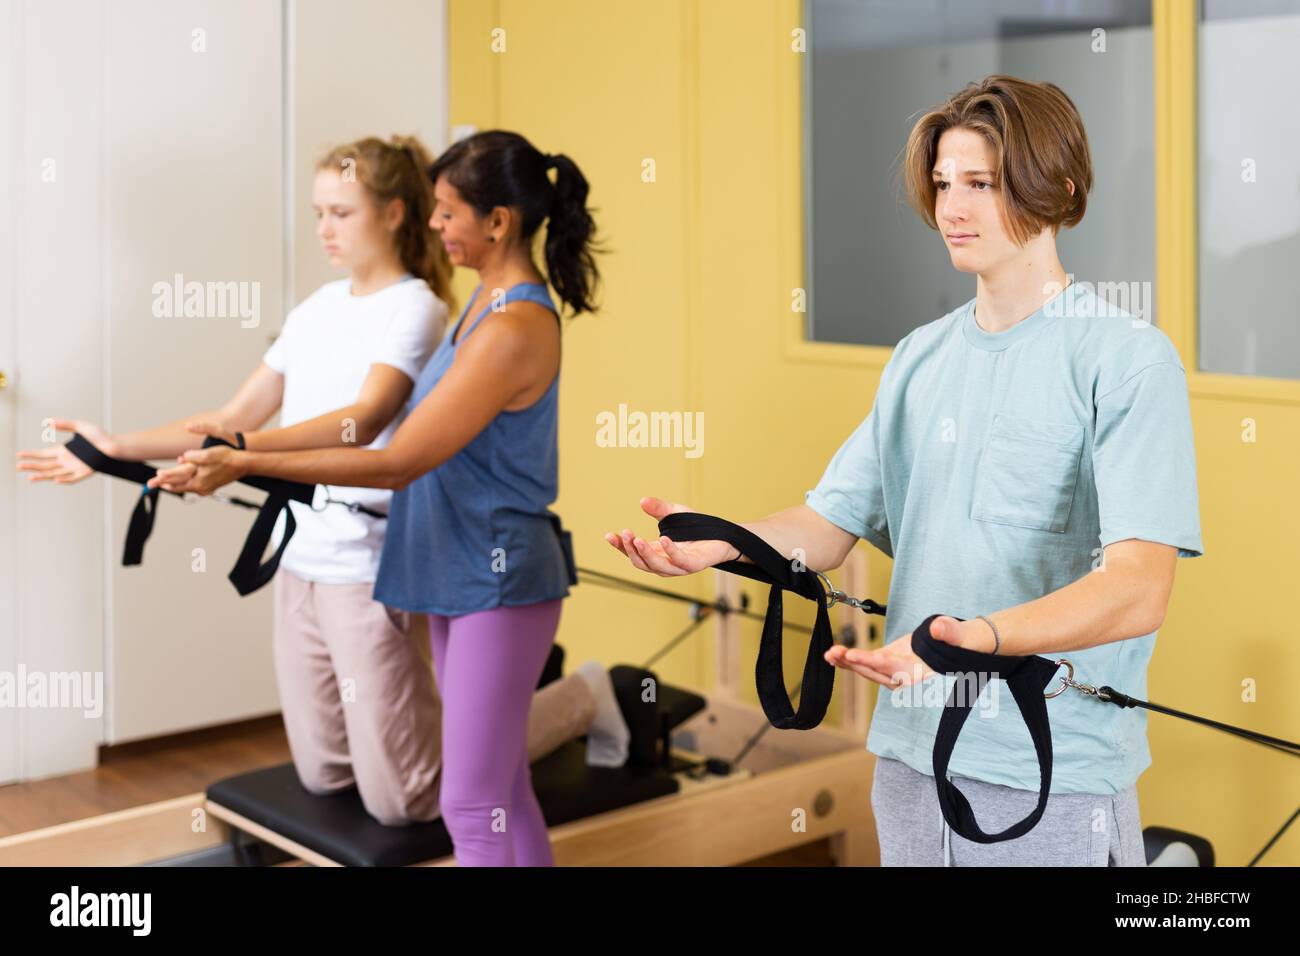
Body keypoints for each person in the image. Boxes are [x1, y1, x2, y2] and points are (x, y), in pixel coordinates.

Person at [603, 75, 1202, 867]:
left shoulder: (1124, 359)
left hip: (1052, 779)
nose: (952, 208)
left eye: (982, 184)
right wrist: (722, 545)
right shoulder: (920, 359)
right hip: (910, 762)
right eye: (945, 183)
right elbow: (827, 525)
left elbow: (1139, 587)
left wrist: (972, 641)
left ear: (1057, 186)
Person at [18, 134, 623, 831]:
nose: (324, 229)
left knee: (426, 793)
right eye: (318, 213)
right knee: (326, 770)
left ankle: (580, 699)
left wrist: (245, 457)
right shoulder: (324, 310)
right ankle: (487, 747)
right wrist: (117, 446)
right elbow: (229, 417)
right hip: (303, 554)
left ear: (394, 213)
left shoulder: (422, 310)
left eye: (341, 212)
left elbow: (364, 427)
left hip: (376, 559)